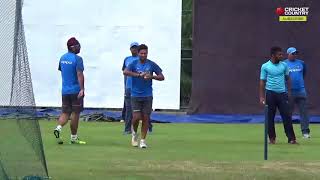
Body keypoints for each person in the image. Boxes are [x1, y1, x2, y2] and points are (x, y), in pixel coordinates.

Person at [123, 44, 164, 148]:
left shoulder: (151, 64)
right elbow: (125, 71)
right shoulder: (133, 63)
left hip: (147, 95)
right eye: (141, 53)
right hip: (135, 94)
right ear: (138, 53)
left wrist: (152, 76)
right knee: (136, 117)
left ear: (147, 53)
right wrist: (137, 75)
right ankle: (134, 134)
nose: (143, 55)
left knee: (146, 118)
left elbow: (162, 77)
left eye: (145, 53)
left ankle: (143, 140)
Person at [259, 46, 297, 144]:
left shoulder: (284, 65)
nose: (281, 56)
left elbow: (287, 78)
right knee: (270, 117)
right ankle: (272, 139)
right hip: (270, 94)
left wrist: (288, 91)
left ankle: (291, 139)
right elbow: (262, 82)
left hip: (282, 94)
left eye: (281, 54)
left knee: (287, 116)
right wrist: (262, 96)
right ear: (273, 55)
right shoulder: (265, 66)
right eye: (279, 54)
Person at [53, 37, 86, 145]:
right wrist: (82, 89)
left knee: (65, 113)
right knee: (75, 114)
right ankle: (73, 137)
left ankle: (58, 128)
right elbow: (79, 74)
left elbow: (62, 71)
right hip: (75, 91)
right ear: (73, 47)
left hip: (65, 91)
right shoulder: (77, 59)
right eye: (78, 45)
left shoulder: (62, 58)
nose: (79, 47)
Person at [284, 47, 310, 138]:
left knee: (304, 112)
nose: (295, 55)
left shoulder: (301, 63)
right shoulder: (284, 64)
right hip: (289, 92)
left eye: (296, 53)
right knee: (288, 113)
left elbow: (304, 74)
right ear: (288, 54)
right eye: (293, 53)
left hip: (301, 91)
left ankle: (305, 132)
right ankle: (290, 133)